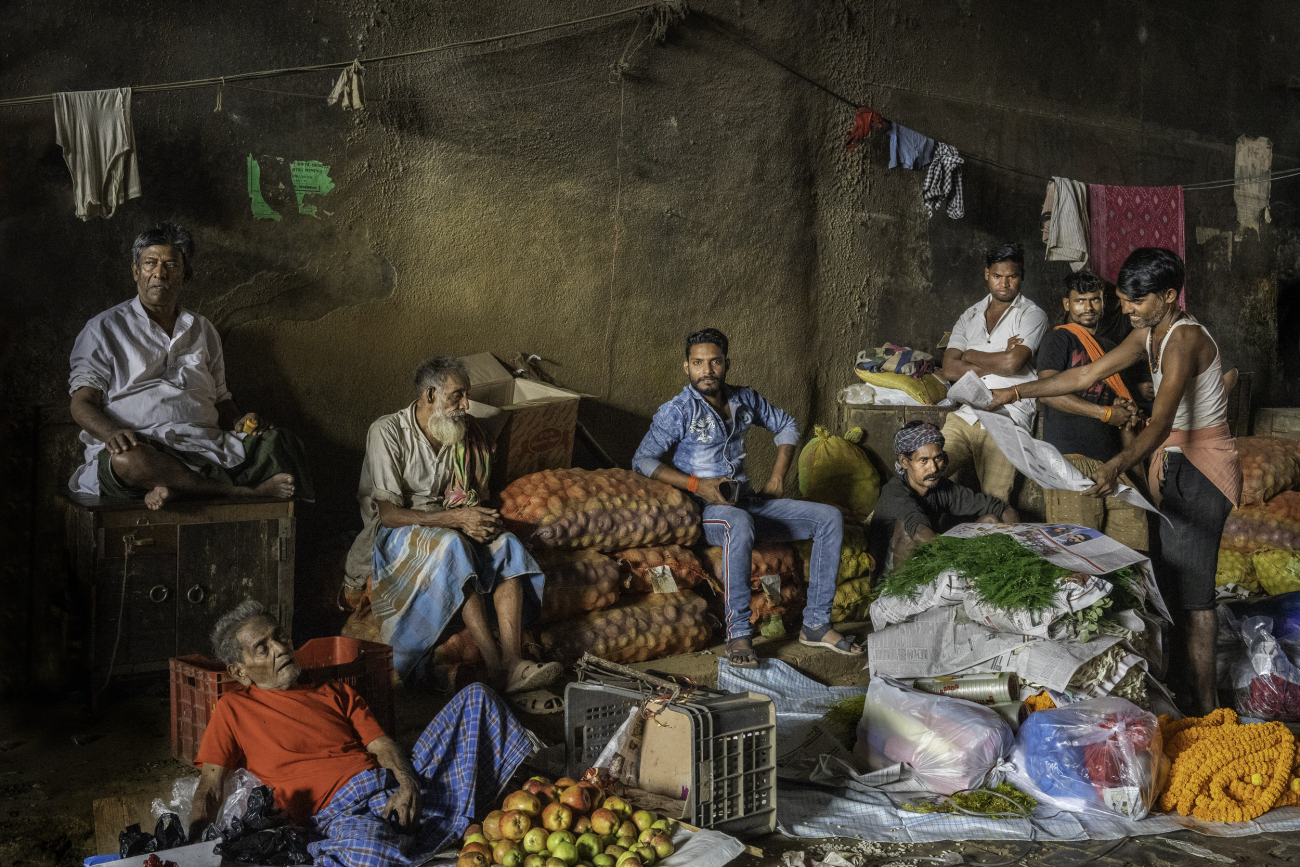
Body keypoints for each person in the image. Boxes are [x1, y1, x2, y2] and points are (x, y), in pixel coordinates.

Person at [987, 247, 1241, 716]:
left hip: (1201, 469)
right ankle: (1182, 692)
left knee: (1194, 595)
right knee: (1170, 584)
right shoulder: (1149, 334)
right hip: (1174, 464)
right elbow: (1083, 374)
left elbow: (1161, 423)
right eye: (1122, 299)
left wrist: (1115, 464)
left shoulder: (1183, 339)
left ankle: (1207, 707)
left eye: (1135, 302)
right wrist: (1013, 391)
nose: (1123, 309)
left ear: (1168, 296)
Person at [189, 600, 535, 867]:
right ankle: (425, 828)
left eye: (279, 636)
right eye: (262, 648)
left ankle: (423, 819)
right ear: (240, 670)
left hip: (387, 785)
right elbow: (210, 787)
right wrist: (193, 848)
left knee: (478, 698)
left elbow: (382, 745)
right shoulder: (233, 709)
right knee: (371, 854)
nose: (280, 648)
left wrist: (407, 784)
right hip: (336, 815)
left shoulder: (335, 691)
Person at [632, 328, 859, 669]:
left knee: (829, 517)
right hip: (705, 510)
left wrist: (777, 477)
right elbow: (642, 460)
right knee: (737, 521)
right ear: (686, 367)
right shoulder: (677, 411)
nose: (706, 370)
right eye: (698, 363)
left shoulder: (744, 399)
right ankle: (739, 633)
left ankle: (815, 624)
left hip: (749, 501)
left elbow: (786, 425)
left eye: (714, 362)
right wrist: (698, 485)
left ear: (726, 363)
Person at [343, 357, 560, 713]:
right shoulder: (387, 431)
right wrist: (458, 518)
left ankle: (513, 662)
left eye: (466, 396)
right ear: (430, 394)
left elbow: (475, 493)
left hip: (449, 521)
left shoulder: (459, 433)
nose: (466, 405)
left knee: (504, 543)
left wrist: (477, 516)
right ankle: (495, 668)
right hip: (398, 532)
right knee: (452, 544)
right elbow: (389, 514)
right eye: (457, 396)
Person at [68, 222, 312, 510]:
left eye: (171, 264)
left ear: (186, 274)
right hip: (145, 445)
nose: (160, 273)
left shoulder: (202, 329)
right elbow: (81, 402)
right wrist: (111, 434)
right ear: (136, 272)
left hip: (204, 444)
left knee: (280, 442)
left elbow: (221, 400)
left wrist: (239, 422)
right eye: (150, 263)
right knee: (129, 461)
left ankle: (178, 488)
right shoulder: (104, 328)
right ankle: (241, 493)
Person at [1036, 269, 1149, 551]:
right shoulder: (1059, 339)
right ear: (1067, 305)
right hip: (1071, 460)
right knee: (1079, 555)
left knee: (1133, 548)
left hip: (1109, 465)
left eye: (1095, 300)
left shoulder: (1112, 349)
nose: (1088, 308)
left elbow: (1118, 402)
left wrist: (1122, 407)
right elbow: (1047, 392)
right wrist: (1105, 414)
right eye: (1080, 300)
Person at [938, 242, 1047, 502]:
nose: (1004, 284)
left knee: (995, 502)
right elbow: (950, 368)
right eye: (998, 276)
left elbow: (1012, 364)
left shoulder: (1032, 314)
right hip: (966, 415)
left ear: (1022, 276)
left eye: (1012, 277)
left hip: (1007, 417)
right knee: (922, 475)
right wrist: (999, 357)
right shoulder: (969, 315)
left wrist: (970, 354)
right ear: (987, 274)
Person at [870, 421, 1019, 573]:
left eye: (937, 458)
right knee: (907, 531)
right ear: (904, 462)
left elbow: (1002, 507)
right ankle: (901, 596)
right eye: (924, 460)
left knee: (991, 521)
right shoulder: (895, 491)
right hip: (888, 573)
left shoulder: (940, 487)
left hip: (930, 556)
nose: (933, 468)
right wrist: (957, 563)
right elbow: (919, 530)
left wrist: (1018, 548)